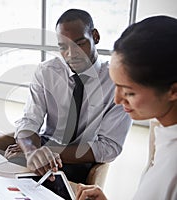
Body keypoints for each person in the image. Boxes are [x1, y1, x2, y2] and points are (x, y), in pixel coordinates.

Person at [0, 9, 131, 184]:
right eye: (63, 47)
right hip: (44, 146)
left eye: (80, 44)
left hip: (79, 159)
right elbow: (30, 120)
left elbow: (109, 147)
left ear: (95, 36)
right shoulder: (46, 72)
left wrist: (46, 151)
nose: (71, 54)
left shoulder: (116, 81)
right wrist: (32, 151)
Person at [75, 15, 177, 200]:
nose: (116, 100)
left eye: (129, 92)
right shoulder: (165, 134)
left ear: (173, 90)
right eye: (116, 86)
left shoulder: (173, 167)